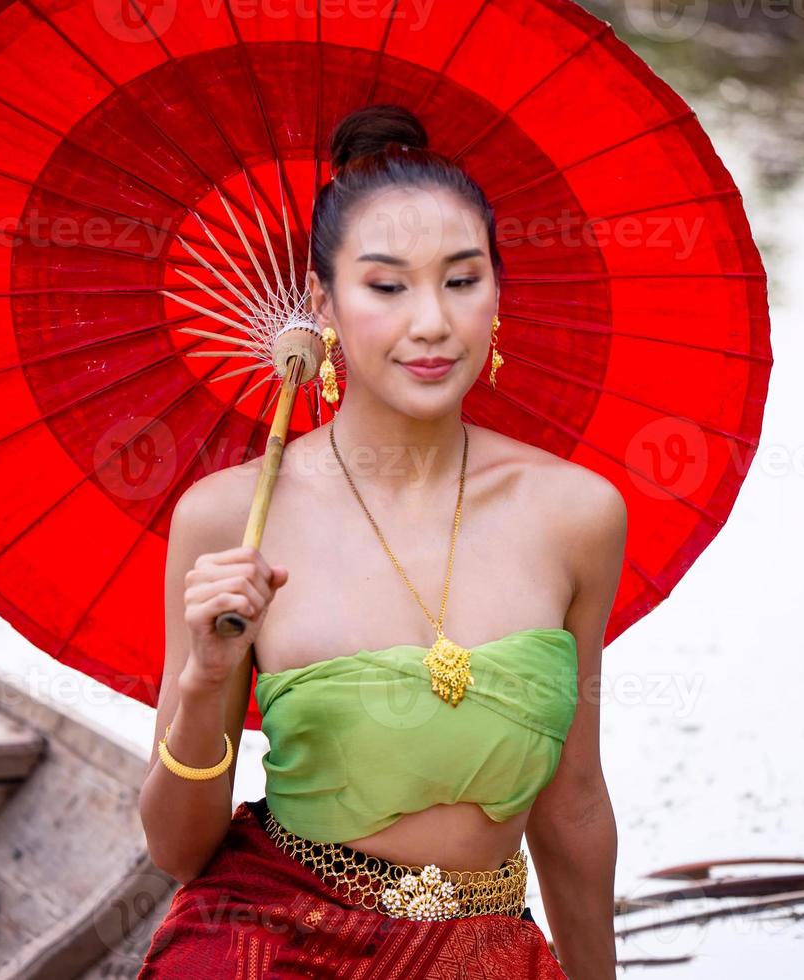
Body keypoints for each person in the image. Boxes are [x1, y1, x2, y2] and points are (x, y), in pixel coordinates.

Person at [136, 103, 623, 979]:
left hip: (484, 951)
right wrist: (206, 680)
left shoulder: (576, 514)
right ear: (323, 303)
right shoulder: (230, 517)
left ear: (498, 292)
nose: (431, 323)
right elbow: (176, 851)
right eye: (388, 286)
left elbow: (575, 801)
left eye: (462, 280)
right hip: (269, 942)